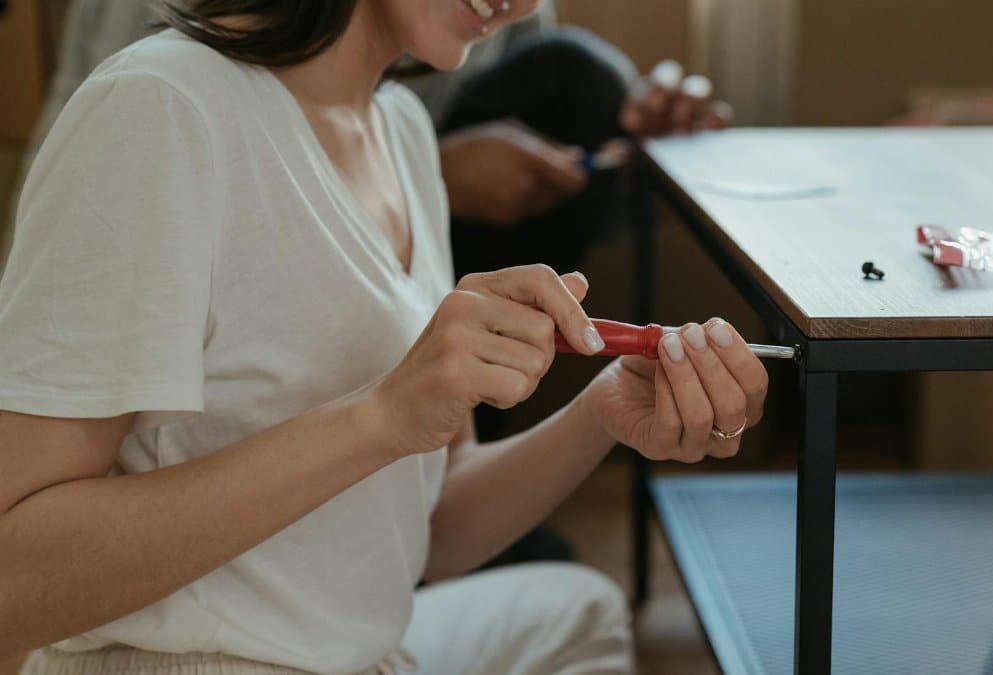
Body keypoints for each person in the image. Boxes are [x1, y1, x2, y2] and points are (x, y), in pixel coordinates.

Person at [0, 1, 768, 675]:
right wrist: (380, 417)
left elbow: (430, 527)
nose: (527, 3)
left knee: (575, 611)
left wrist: (603, 410)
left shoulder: (399, 130)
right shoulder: (159, 108)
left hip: (364, 649)